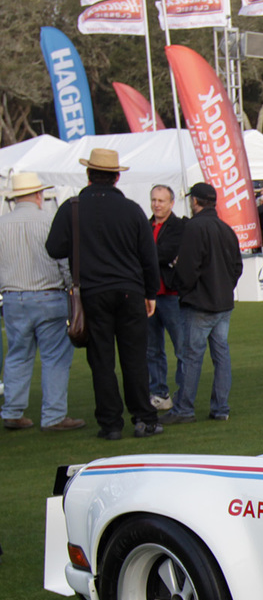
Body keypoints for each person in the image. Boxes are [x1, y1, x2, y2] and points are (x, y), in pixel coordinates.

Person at [45, 147, 161, 440]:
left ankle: (110, 423)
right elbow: (149, 256)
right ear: (116, 177)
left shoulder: (73, 208)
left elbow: (53, 248)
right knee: (134, 357)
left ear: (89, 174)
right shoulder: (132, 209)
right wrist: (150, 292)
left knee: (101, 360)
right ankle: (144, 418)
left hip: (93, 293)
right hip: (129, 290)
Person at [1, 172, 82, 432]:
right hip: (49, 295)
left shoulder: (2, 224)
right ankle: (54, 415)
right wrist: (72, 286)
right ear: (38, 195)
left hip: (13, 297)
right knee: (55, 357)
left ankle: (12, 411)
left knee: (17, 355)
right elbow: (63, 260)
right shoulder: (49, 220)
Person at [163, 183, 241, 424]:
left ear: (195, 201)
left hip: (199, 303)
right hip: (222, 303)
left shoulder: (194, 228)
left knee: (191, 357)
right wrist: (226, 287)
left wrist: (181, 285)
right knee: (221, 356)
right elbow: (237, 266)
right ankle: (220, 407)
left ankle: (184, 408)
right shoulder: (226, 228)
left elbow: (187, 269)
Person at [145, 185, 187, 413]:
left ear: (171, 203)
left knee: (181, 348)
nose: (157, 204)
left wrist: (147, 254)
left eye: (161, 200)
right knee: (152, 349)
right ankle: (159, 393)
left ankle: (183, 395)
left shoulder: (178, 226)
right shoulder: (145, 225)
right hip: (149, 295)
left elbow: (165, 253)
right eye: (154, 200)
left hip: (171, 295)